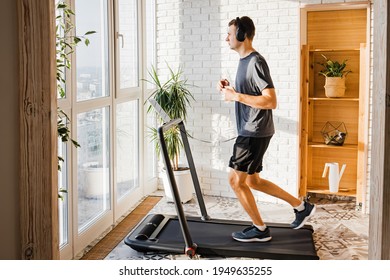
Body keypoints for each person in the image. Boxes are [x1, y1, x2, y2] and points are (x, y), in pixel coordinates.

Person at [217, 16, 316, 242]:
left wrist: (236, 96)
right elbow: (250, 95)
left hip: (253, 131)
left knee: (235, 181)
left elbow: (270, 101)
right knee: (252, 181)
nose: (226, 38)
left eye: (230, 34)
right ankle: (301, 206)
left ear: (242, 35)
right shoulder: (244, 62)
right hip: (252, 130)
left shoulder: (255, 61)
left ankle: (260, 230)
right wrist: (230, 90)